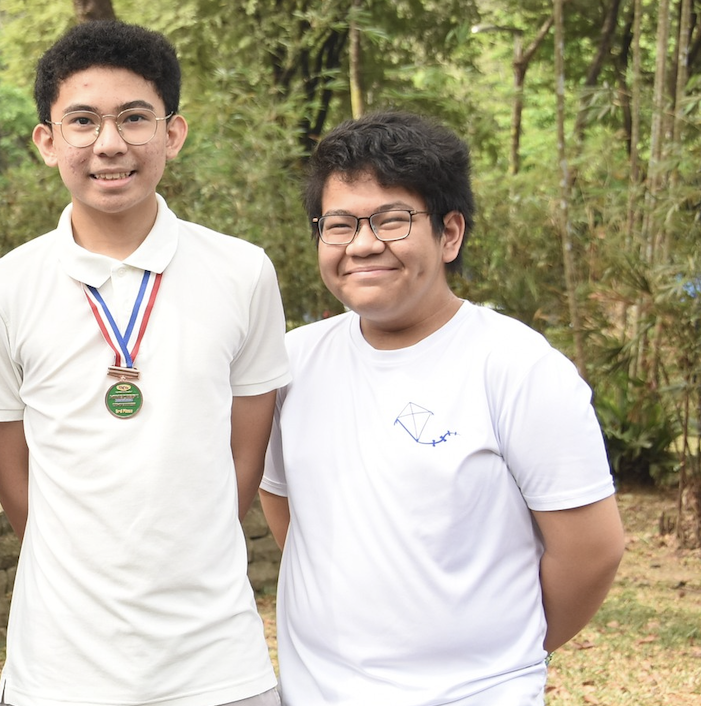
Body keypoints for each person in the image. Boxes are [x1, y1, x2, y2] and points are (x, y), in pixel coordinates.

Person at [0, 21, 290, 706]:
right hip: (59, 668)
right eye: (82, 121)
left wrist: (187, 551)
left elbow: (244, 461)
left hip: (216, 663)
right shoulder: (2, 289)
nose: (108, 144)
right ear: (47, 141)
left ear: (173, 133)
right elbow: (16, 483)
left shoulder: (242, 272)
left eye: (133, 118)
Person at [259, 111, 626, 705]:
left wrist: (496, 657)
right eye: (340, 225)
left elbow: (592, 550)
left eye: (392, 220)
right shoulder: (290, 364)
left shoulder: (517, 367)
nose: (363, 244)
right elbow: (286, 510)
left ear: (449, 233)